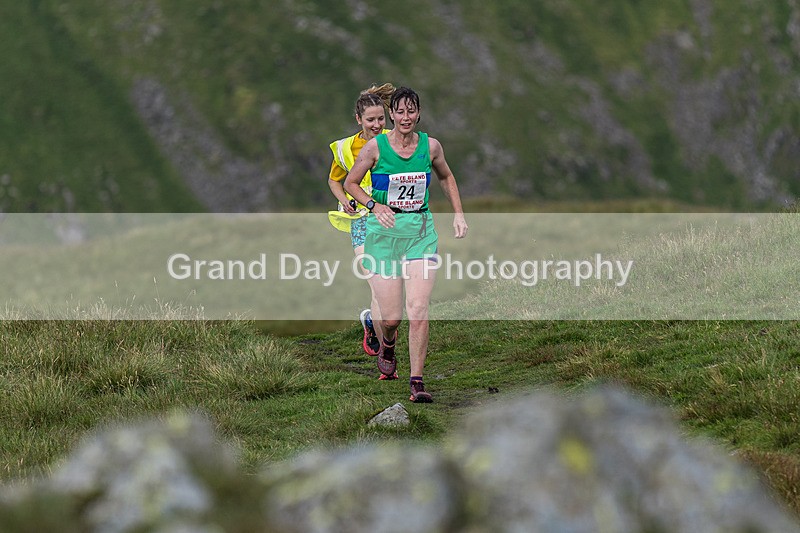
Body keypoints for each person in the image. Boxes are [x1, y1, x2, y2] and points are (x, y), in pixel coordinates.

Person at [344, 86, 468, 403]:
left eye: (411, 111)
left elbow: (446, 177)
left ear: (418, 113)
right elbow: (350, 184)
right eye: (400, 111)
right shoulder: (375, 148)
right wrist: (374, 206)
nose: (406, 117)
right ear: (392, 114)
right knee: (391, 318)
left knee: (419, 310)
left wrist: (458, 214)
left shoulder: (432, 147)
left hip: (420, 234)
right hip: (382, 235)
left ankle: (417, 382)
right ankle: (387, 342)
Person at [327, 83, 395, 356]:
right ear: (358, 120)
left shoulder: (395, 139)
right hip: (362, 221)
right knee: (378, 286)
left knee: (390, 288)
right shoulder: (345, 148)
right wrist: (344, 199)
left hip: (393, 220)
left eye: (381, 118)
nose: (377, 124)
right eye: (371, 120)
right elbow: (334, 180)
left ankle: (372, 322)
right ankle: (387, 357)